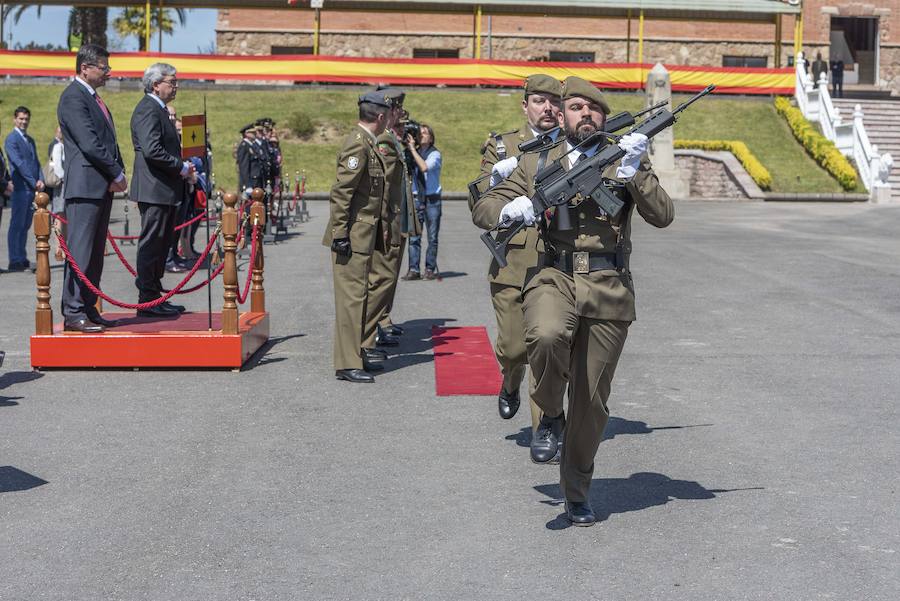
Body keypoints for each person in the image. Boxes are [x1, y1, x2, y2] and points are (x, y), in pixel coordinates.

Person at [473, 76, 674, 526]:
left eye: (594, 109)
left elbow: (663, 215)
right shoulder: (538, 160)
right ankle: (549, 413)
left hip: (608, 286)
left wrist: (636, 173)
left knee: (591, 401)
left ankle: (576, 490)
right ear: (562, 115)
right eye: (577, 107)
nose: (586, 115)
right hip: (553, 275)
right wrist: (511, 208)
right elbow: (484, 209)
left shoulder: (625, 156)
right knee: (545, 336)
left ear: (604, 117)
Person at [471, 73, 562, 430]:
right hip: (512, 261)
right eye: (539, 101)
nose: (548, 108)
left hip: (556, 262)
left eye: (554, 102)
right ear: (525, 106)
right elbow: (479, 204)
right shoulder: (504, 146)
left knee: (546, 345)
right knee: (514, 348)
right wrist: (496, 180)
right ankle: (510, 380)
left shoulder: (572, 146)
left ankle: (545, 428)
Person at [322, 90, 392, 383]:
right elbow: (342, 192)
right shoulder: (358, 144)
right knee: (351, 301)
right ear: (380, 116)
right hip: (351, 236)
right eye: (388, 115)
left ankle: (356, 354)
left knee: (359, 298)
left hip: (361, 235)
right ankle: (347, 363)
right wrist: (340, 234)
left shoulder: (367, 143)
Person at [57, 43, 126, 333]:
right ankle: (73, 311)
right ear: (85, 68)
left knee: (95, 254)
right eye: (103, 67)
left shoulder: (93, 98)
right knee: (81, 251)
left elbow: (108, 141)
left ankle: (88, 306)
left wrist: (118, 170)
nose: (108, 72)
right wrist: (116, 171)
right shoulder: (73, 97)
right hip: (85, 186)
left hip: (100, 185)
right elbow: (89, 143)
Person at [130, 62, 194, 317]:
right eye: (172, 82)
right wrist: (181, 167)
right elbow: (152, 150)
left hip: (163, 188)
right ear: (156, 85)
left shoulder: (159, 109)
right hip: (153, 188)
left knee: (161, 244)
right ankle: (147, 299)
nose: (176, 87)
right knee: (152, 244)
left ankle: (155, 295)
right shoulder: (148, 109)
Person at [361, 88, 416, 365]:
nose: (400, 115)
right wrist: (385, 222)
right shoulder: (383, 140)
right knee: (380, 278)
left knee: (387, 278)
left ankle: (378, 326)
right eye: (398, 111)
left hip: (397, 219)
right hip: (387, 220)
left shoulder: (392, 138)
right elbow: (381, 185)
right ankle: (369, 335)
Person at [4, 106, 44, 272]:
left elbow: (36, 162)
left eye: (26, 119)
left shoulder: (30, 140)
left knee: (26, 224)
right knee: (17, 224)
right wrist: (34, 181)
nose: (24, 122)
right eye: (21, 118)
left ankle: (22, 257)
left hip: (32, 189)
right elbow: (19, 163)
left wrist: (41, 179)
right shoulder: (11, 139)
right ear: (15, 119)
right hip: (21, 188)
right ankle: (15, 260)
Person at [403, 123, 442, 280]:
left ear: (431, 138)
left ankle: (429, 269)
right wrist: (409, 148)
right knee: (414, 237)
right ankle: (414, 270)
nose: (422, 135)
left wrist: (413, 150)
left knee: (432, 237)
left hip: (432, 200)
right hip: (416, 198)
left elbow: (424, 167)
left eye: (425, 133)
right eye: (420, 132)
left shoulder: (435, 154)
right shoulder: (412, 152)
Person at [236, 123, 261, 194]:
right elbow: (244, 167)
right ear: (246, 134)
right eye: (252, 133)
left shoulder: (252, 146)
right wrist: (248, 185)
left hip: (256, 181)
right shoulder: (244, 146)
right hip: (250, 182)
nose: (255, 134)